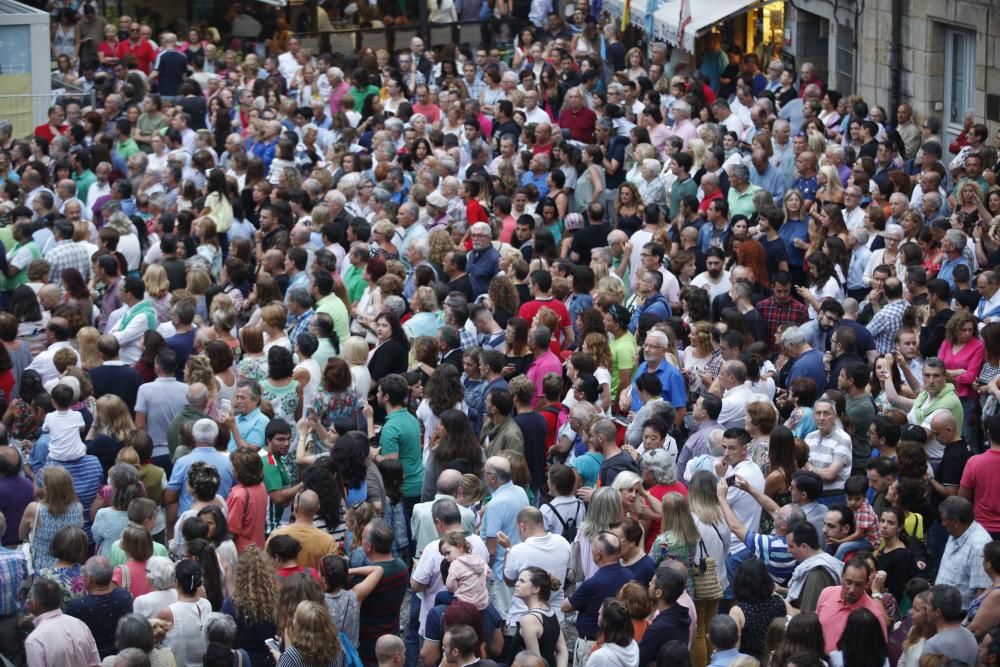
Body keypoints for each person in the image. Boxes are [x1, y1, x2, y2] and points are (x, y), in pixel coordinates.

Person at [561, 532, 633, 666]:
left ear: (598, 554)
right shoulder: (629, 575)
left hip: (592, 644)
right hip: (619, 640)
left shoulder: (593, 583)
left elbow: (565, 606)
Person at [815, 555, 888, 654]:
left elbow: (880, 655)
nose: (852, 589)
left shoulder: (874, 615)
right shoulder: (826, 594)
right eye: (848, 582)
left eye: (858, 584)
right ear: (842, 577)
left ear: (867, 583)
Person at [24, 578, 101, 667]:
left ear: (34, 604)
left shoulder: (35, 640)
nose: (27, 601)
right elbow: (96, 663)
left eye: (29, 597)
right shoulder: (80, 625)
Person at [638, 566, 690, 667]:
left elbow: (639, 659)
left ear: (658, 593)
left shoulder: (658, 628)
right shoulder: (681, 615)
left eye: (652, 583)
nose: (649, 584)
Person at [921, 584, 980, 666]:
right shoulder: (970, 635)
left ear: (937, 612)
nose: (925, 606)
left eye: (928, 604)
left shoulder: (933, 645)